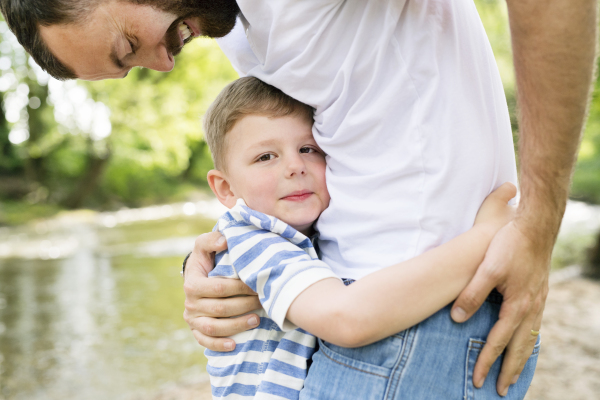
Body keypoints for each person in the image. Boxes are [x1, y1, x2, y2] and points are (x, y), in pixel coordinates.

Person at [1, 0, 596, 397]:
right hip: (390, 314)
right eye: (132, 66)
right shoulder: (230, 15)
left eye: (128, 43)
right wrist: (216, 261)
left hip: (419, 325)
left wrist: (535, 222)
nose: (160, 63)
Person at [201, 75, 521, 400]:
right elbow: (345, 320)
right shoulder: (254, 239)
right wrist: (487, 236)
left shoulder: (293, 231)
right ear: (225, 188)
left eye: (308, 149)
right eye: (266, 157)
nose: (295, 166)